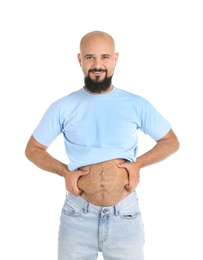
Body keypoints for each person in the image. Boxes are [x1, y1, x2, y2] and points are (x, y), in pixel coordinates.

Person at [25, 30, 179, 260]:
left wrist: (138, 165)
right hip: (77, 215)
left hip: (124, 216)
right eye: (90, 57)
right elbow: (33, 149)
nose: (98, 64)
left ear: (115, 59)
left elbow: (170, 141)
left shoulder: (136, 104)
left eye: (105, 57)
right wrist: (64, 172)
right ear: (80, 60)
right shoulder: (62, 107)